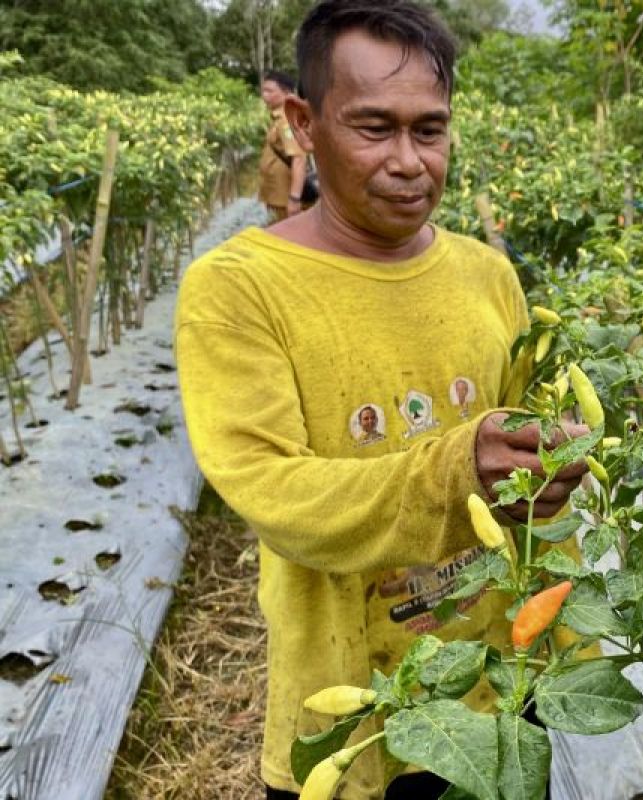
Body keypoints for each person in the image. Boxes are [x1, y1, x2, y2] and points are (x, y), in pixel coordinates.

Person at [174, 3, 588, 797]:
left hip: (497, 684)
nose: (409, 161)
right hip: (352, 704)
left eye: (428, 131)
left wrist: (547, 476)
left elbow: (530, 472)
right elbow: (272, 491)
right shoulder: (238, 289)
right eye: (374, 128)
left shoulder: (486, 275)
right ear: (304, 122)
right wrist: (456, 468)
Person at [257, 70, 308, 221]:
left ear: (286, 92)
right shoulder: (278, 118)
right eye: (263, 91)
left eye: (269, 91)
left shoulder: (287, 119)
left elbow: (299, 158)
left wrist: (294, 198)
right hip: (277, 196)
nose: (264, 96)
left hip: (286, 198)